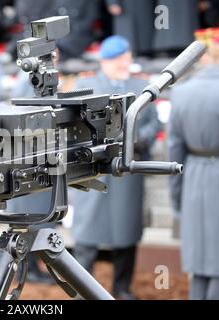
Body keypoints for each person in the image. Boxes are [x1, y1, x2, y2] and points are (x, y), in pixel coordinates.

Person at [71, 36, 161, 300]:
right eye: (117, 60)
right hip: (94, 169)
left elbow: (154, 122)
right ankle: (82, 287)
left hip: (127, 169)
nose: (123, 63)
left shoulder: (141, 86)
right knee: (87, 232)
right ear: (104, 62)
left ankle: (121, 288)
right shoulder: (86, 86)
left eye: (125, 58)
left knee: (126, 230)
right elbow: (74, 125)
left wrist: (141, 139)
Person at [168, 34, 219, 300]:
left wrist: (177, 197)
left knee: (201, 265)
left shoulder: (181, 93)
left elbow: (174, 151)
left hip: (193, 176)